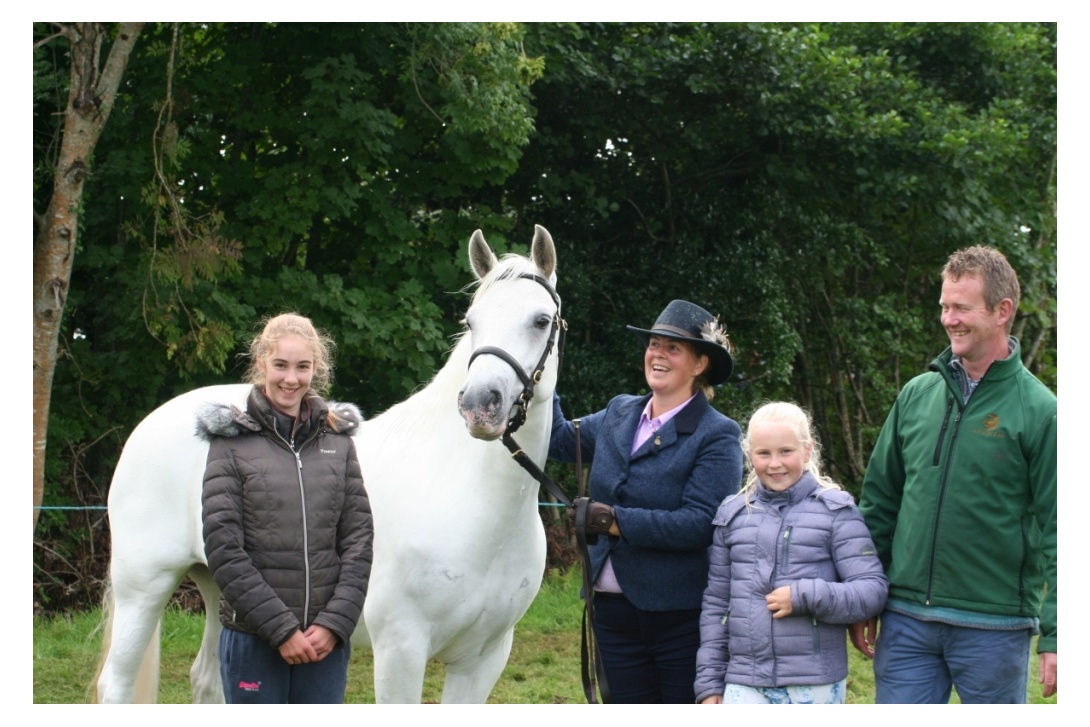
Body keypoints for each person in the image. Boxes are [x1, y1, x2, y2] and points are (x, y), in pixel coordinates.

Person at [851, 246, 1057, 703]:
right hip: (905, 622)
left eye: (961, 307)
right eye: (944, 306)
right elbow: (880, 502)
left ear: (1002, 311)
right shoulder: (916, 395)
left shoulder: (1042, 412)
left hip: (995, 625)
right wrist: (864, 593)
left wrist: (1060, 634)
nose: (948, 319)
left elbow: (1065, 528)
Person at [549, 299, 743, 704]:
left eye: (673, 348)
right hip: (612, 612)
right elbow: (561, 439)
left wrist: (613, 520)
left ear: (700, 364)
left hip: (679, 617)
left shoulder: (717, 434)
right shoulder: (621, 411)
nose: (657, 354)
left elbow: (700, 523)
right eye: (654, 344)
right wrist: (539, 376)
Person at [200, 313, 373, 703]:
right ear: (261, 364)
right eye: (280, 365)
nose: (290, 379)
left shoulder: (339, 443)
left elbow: (359, 540)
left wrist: (335, 623)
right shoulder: (230, 445)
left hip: (323, 644)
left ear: (317, 369)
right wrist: (281, 629)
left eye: (302, 366)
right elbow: (224, 548)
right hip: (254, 639)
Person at [693, 402, 888, 704]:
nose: (774, 464)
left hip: (813, 683)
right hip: (743, 681)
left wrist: (805, 596)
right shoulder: (731, 515)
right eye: (763, 453)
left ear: (807, 451)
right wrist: (709, 682)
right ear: (749, 454)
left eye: (785, 451)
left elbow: (872, 590)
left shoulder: (837, 511)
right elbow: (717, 604)